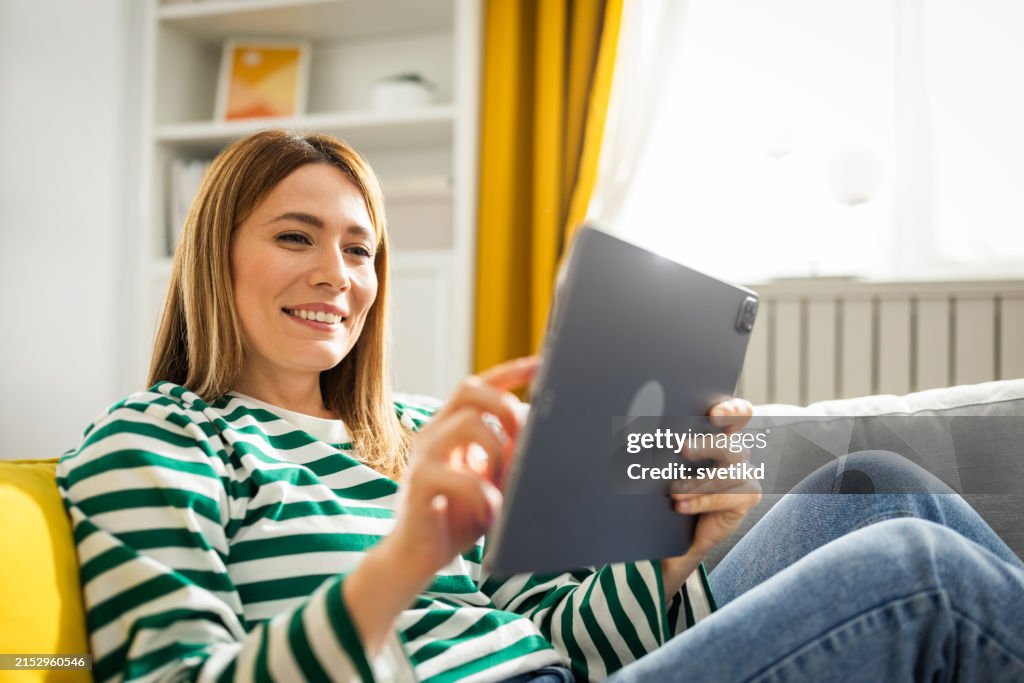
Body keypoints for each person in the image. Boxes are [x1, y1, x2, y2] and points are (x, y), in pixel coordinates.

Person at [57, 129, 1024, 683]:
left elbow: (552, 633)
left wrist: (678, 554)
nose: (337, 275)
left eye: (359, 249)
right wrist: (404, 560)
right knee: (921, 573)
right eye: (296, 237)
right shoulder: (159, 438)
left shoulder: (415, 433)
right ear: (215, 253)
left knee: (876, 488)